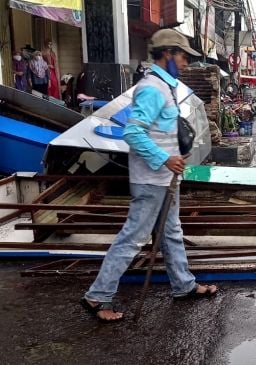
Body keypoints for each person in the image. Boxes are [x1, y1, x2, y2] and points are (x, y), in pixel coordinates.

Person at [80, 29, 217, 322]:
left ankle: (184, 285)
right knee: (133, 238)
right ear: (167, 54)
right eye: (182, 56)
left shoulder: (165, 87)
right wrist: (164, 158)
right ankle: (98, 296)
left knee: (171, 233)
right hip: (152, 179)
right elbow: (132, 131)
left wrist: (170, 161)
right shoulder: (152, 88)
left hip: (165, 178)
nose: (185, 63)